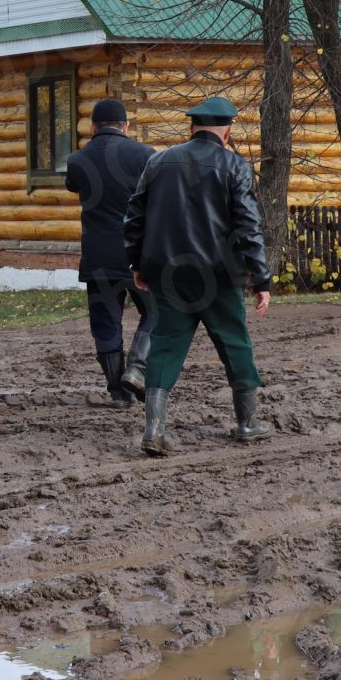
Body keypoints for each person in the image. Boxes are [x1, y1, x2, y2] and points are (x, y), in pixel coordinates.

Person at [120, 95, 273, 455]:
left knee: (166, 345)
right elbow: (249, 227)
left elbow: (134, 218)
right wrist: (261, 279)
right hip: (218, 276)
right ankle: (247, 423)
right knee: (234, 342)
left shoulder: (158, 161)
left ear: (191, 128)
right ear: (228, 132)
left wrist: (138, 264)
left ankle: (154, 430)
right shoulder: (235, 166)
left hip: (167, 274)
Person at [64, 97, 155, 406]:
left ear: (93, 126)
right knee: (157, 311)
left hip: (98, 254)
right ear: (126, 126)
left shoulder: (78, 159)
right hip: (140, 254)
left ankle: (118, 392)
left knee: (105, 321)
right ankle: (138, 371)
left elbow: (73, 184)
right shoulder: (145, 156)